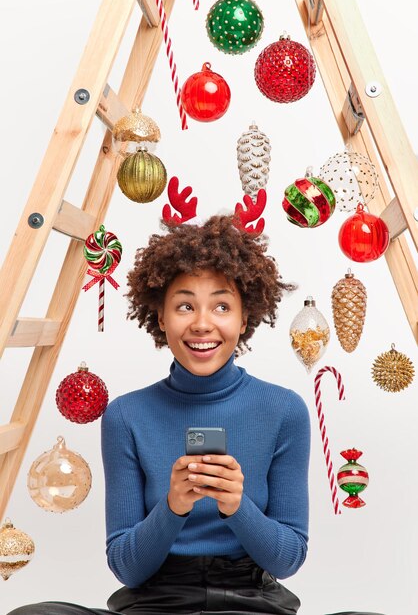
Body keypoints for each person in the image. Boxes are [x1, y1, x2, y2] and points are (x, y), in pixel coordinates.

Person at [8, 215, 310, 615]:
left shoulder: (285, 410)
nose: (202, 324)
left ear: (244, 317)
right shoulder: (125, 416)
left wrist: (238, 506)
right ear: (161, 316)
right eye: (185, 305)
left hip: (252, 603)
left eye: (221, 306)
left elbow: (287, 560)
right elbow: (126, 568)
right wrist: (173, 506)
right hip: (155, 602)